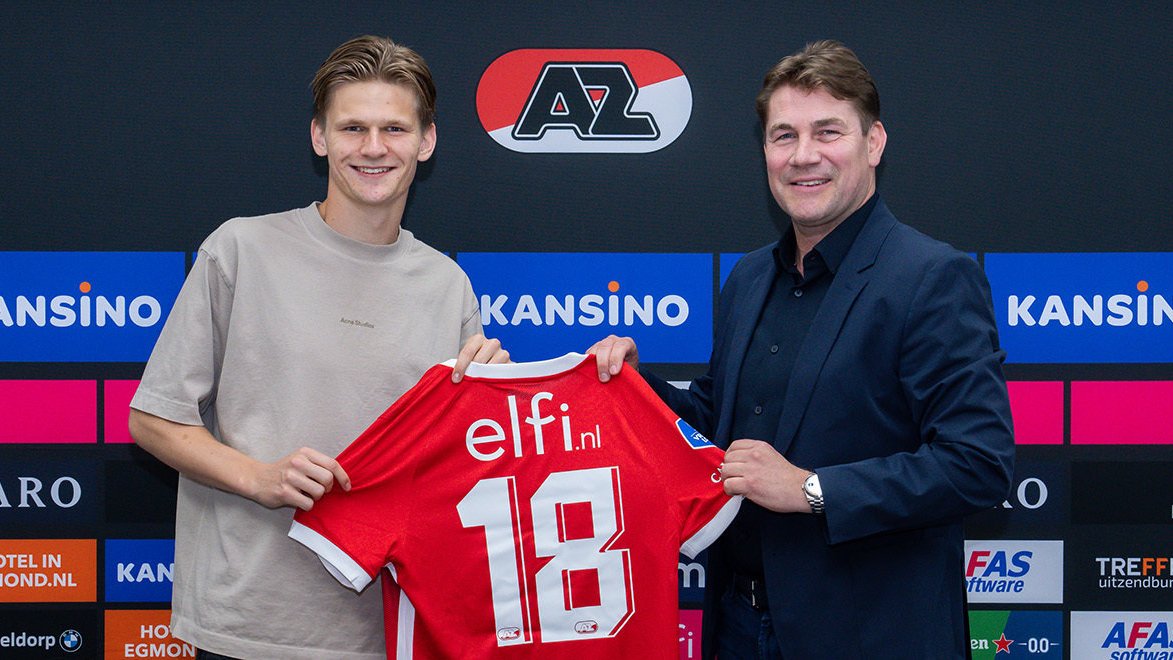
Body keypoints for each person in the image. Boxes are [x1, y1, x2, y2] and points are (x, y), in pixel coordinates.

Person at [590, 40, 1014, 659]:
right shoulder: (748, 279)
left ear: (874, 143)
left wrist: (813, 489)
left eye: (828, 132)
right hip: (737, 625)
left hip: (870, 638)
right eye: (783, 136)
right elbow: (716, 425)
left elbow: (977, 464)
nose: (803, 155)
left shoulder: (932, 278)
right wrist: (634, 384)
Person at [129, 35, 507, 659]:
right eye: (353, 127)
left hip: (387, 628)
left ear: (426, 141)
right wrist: (259, 477)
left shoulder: (447, 285)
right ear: (320, 137)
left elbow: (461, 469)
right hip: (248, 625)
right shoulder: (240, 250)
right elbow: (153, 419)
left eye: (394, 128)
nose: (374, 148)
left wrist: (494, 401)